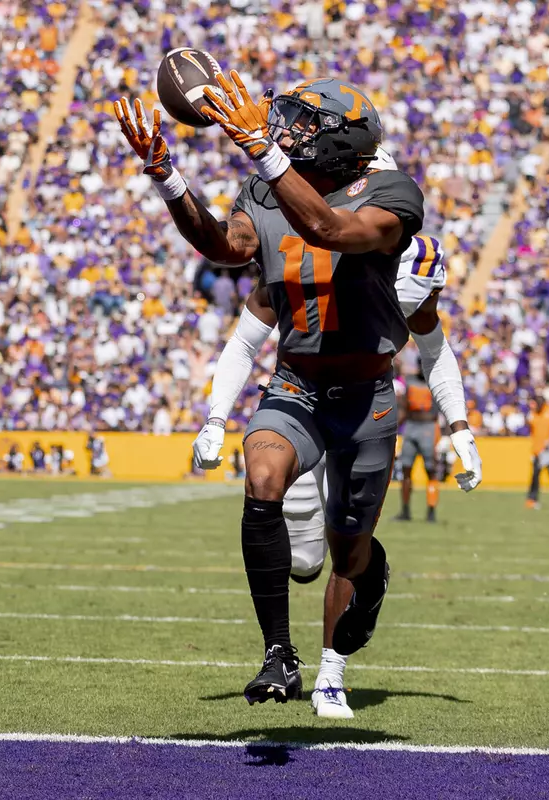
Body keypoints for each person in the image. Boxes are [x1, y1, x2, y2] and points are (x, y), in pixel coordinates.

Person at [149, 78, 470, 709]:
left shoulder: (392, 193)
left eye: (302, 123)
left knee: (347, 548)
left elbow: (330, 229)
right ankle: (279, 656)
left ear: (340, 140)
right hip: (296, 381)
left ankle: (352, 617)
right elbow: (225, 247)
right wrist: (168, 181)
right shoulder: (267, 186)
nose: (286, 129)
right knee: (262, 474)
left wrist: (260, 147)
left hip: (367, 396)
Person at [394, 371, 442, 523]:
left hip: (428, 427)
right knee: (406, 469)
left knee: (430, 470)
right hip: (411, 426)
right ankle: (405, 510)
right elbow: (403, 406)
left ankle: (431, 511)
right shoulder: (409, 381)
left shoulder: (434, 382)